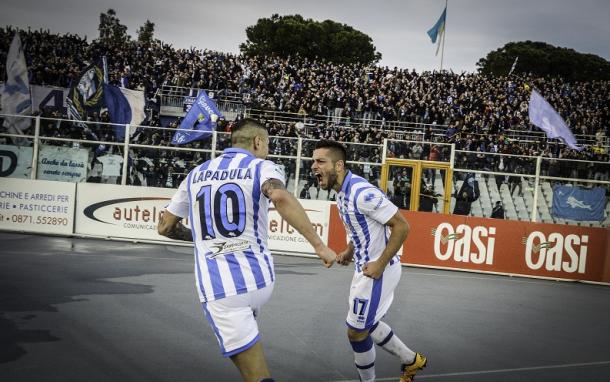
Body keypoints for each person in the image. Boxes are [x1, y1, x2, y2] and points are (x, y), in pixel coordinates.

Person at [158, 118, 336, 382]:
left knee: (257, 375)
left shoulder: (195, 174)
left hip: (223, 290)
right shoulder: (262, 167)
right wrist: (319, 246)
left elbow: (165, 228)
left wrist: (199, 238)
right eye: (267, 145)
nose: (267, 150)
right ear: (257, 142)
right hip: (260, 280)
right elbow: (279, 196)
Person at [311, 140, 427, 382]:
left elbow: (402, 226)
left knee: (356, 332)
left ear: (339, 165)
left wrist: (379, 264)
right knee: (368, 324)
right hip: (365, 268)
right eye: (313, 161)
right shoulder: (342, 194)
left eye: (320, 161)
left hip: (378, 271)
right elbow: (359, 229)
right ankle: (411, 360)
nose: (314, 166)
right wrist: (349, 251)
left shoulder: (362, 193)